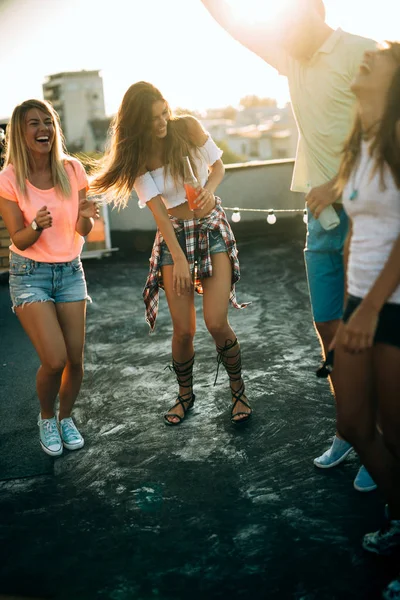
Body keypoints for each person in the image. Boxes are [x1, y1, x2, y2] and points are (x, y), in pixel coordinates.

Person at [200, 0, 377, 490]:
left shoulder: (365, 53)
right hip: (319, 220)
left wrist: (342, 183)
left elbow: (387, 138)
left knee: (371, 338)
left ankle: (379, 444)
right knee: (328, 328)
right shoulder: (292, 58)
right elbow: (238, 25)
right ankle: (350, 430)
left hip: (366, 216)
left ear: (313, 12)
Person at [91, 81, 251, 425]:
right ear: (137, 122)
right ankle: (184, 396)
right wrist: (178, 257)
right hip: (173, 237)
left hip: (210, 228)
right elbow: (160, 214)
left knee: (216, 321)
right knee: (183, 331)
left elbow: (218, 167)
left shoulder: (188, 127)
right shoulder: (136, 159)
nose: (163, 121)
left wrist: (209, 191)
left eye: (164, 112)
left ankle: (238, 392)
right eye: (153, 118)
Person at [333, 41, 400, 600]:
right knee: (354, 423)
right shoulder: (360, 141)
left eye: (381, 55)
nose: (368, 58)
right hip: (364, 304)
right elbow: (360, 225)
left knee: (399, 434)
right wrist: (355, 304)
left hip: (395, 307)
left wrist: (374, 307)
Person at [0, 99, 98, 457]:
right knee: (54, 359)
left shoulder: (72, 170)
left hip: (71, 270)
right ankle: (46, 417)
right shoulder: (9, 178)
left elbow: (81, 227)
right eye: (33, 123)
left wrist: (87, 215)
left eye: (48, 122)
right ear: (20, 132)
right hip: (30, 274)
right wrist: (35, 226)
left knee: (75, 360)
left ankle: (66, 418)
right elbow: (17, 238)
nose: (43, 128)